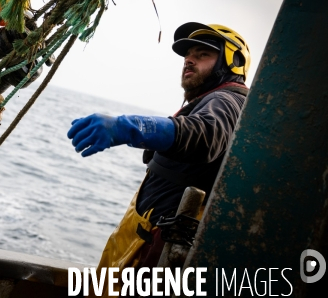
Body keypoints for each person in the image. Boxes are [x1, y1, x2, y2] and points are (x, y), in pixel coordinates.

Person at [67, 22, 251, 292]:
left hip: (156, 253)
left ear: (232, 63)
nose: (189, 60)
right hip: (141, 240)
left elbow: (206, 135)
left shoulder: (228, 101)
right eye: (188, 55)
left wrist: (129, 127)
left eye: (202, 54)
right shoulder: (204, 101)